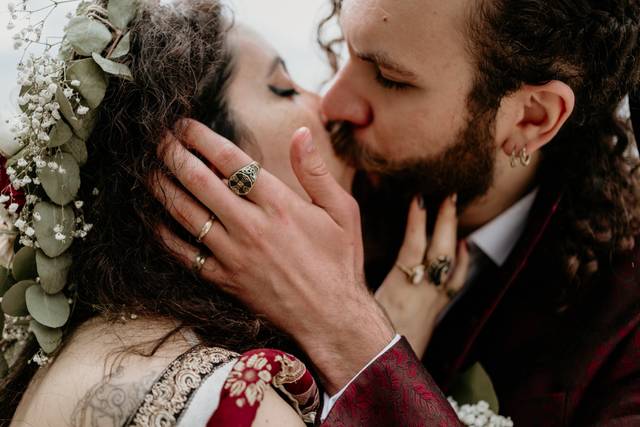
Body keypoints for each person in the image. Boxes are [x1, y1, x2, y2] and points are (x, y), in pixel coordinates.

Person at [157, 0, 640, 425]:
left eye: (390, 79)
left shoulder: (624, 327)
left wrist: (352, 335)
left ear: (532, 116)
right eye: (348, 49)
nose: (333, 102)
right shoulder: (299, 193)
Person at [1, 0, 467, 426]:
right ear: (194, 171)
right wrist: (370, 349)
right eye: (283, 89)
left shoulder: (102, 342)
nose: (326, 104)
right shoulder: (233, 399)